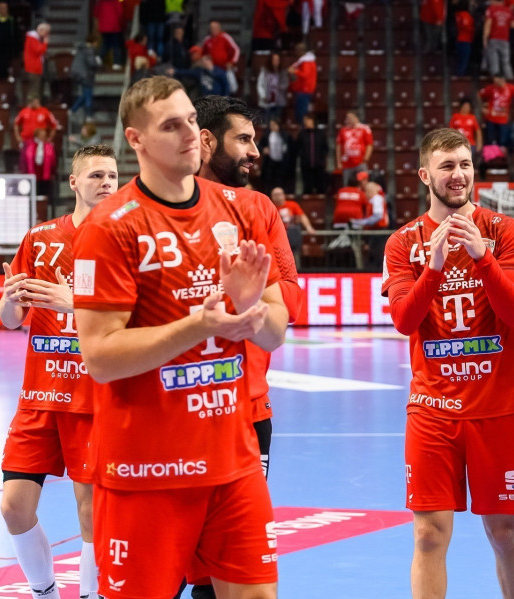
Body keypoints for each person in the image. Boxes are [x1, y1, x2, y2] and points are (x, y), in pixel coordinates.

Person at [71, 76, 287, 599]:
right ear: (136, 139)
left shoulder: (243, 209)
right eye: (171, 126)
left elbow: (275, 332)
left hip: (232, 462)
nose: (191, 134)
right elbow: (100, 357)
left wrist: (248, 307)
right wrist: (200, 325)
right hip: (146, 470)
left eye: (191, 120)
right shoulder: (109, 227)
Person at [382, 127, 514, 599]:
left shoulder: (504, 231)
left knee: (504, 532)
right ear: (424, 175)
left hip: (498, 407)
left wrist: (482, 258)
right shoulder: (401, 243)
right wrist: (433, 267)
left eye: (465, 164)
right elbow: (404, 321)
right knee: (428, 534)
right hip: (432, 408)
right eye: (447, 166)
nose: (458, 174)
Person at [191, 93, 301, 599]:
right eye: (243, 139)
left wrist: (248, 300)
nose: (255, 151)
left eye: (255, 140)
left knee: (232, 570)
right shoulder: (150, 212)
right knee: (174, 565)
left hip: (247, 409)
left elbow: (289, 298)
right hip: (169, 413)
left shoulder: (258, 209)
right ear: (207, 141)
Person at [0, 144, 119, 599]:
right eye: (96, 175)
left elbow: (138, 317)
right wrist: (9, 301)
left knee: (90, 512)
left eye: (112, 176)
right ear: (73, 182)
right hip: (40, 396)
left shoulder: (125, 240)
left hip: (93, 397)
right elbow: (12, 319)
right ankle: (44, 592)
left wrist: (78, 303)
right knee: (13, 508)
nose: (106, 183)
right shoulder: (41, 237)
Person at [271, 186, 315, 269]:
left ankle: (297, 270)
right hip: (277, 238)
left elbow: (302, 216)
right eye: (275, 195)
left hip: (291, 237)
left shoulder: (292, 205)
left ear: (284, 195)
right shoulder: (270, 207)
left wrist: (308, 227)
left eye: (279, 194)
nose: (277, 196)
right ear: (272, 197)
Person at [336, 111, 374, 186]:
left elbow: (369, 145)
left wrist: (365, 159)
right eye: (347, 118)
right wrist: (339, 162)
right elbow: (338, 146)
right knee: (346, 184)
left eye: (350, 117)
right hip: (347, 164)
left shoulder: (364, 129)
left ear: (356, 118)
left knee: (363, 184)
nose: (348, 119)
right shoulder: (343, 130)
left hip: (360, 162)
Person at [70, 34, 101, 122]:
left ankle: (73, 109)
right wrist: (98, 62)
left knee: (84, 95)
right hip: (86, 76)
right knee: (88, 96)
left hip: (79, 75)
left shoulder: (81, 49)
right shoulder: (89, 50)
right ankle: (88, 116)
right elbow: (92, 63)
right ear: (94, 42)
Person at [483, 0, 514, 79]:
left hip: (493, 38)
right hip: (505, 39)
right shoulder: (509, 11)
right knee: (506, 63)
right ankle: (510, 80)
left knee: (494, 62)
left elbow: (488, 24)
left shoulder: (491, 9)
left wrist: (484, 38)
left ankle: (496, 81)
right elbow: (513, 25)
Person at [296, 112, 329, 194]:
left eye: (306, 120)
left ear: (312, 120)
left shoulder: (320, 133)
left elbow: (325, 148)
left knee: (320, 186)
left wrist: (322, 159)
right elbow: (297, 147)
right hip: (306, 165)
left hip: (319, 164)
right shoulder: (302, 134)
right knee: (307, 187)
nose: (305, 122)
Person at [259, 116, 292, 193]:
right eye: (271, 125)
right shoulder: (267, 135)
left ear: (279, 125)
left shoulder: (285, 135)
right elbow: (260, 146)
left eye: (274, 125)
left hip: (282, 164)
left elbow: (291, 149)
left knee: (281, 183)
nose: (272, 127)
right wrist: (263, 149)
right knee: (269, 183)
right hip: (270, 163)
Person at [287, 42, 317, 123]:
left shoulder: (307, 62)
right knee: (300, 112)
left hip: (304, 90)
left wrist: (294, 71)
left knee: (301, 113)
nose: (296, 52)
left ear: (301, 51)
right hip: (303, 90)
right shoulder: (305, 61)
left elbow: (305, 75)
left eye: (297, 50)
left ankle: (302, 127)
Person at [256, 52, 289, 125]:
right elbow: (260, 84)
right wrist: (263, 96)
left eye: (277, 60)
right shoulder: (264, 71)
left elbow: (285, 84)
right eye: (274, 60)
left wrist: (278, 87)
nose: (276, 62)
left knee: (277, 123)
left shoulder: (282, 72)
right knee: (266, 123)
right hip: (267, 100)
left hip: (279, 101)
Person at [23, 22, 50, 101]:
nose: (47, 35)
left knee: (37, 89)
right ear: (41, 30)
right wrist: (45, 43)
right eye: (46, 32)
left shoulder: (36, 39)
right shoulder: (32, 38)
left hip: (36, 67)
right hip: (33, 67)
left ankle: (35, 104)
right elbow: (37, 50)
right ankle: (32, 106)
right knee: (34, 90)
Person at [94, 0, 124, 69]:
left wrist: (97, 27)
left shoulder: (100, 3)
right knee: (116, 45)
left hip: (104, 27)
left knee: (106, 43)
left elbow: (96, 14)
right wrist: (122, 26)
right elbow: (120, 14)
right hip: (115, 26)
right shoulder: (116, 2)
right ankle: (116, 63)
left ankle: (99, 57)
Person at [454, 1, 476, 76]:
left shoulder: (457, 14)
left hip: (459, 39)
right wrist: (473, 29)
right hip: (465, 40)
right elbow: (466, 26)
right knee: (464, 59)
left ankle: (460, 72)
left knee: (461, 59)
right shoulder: (464, 15)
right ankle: (461, 74)